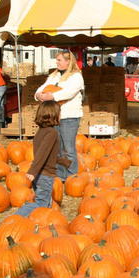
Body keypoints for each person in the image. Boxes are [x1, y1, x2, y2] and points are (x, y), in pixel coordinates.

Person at [35, 51, 84, 180]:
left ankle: (72, 177)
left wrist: (52, 96)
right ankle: (61, 176)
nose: (56, 62)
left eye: (59, 60)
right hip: (55, 116)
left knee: (68, 148)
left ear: (68, 61)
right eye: (56, 60)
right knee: (58, 148)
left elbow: (69, 92)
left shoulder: (76, 76)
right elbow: (42, 88)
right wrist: (39, 95)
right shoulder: (54, 75)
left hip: (69, 117)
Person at [16, 101, 62, 217]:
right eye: (59, 113)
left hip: (40, 174)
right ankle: (18, 216)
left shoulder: (41, 131)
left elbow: (47, 153)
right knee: (41, 204)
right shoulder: (52, 133)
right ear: (53, 114)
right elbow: (42, 153)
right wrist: (32, 171)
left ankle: (34, 222)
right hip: (45, 175)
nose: (61, 115)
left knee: (43, 202)